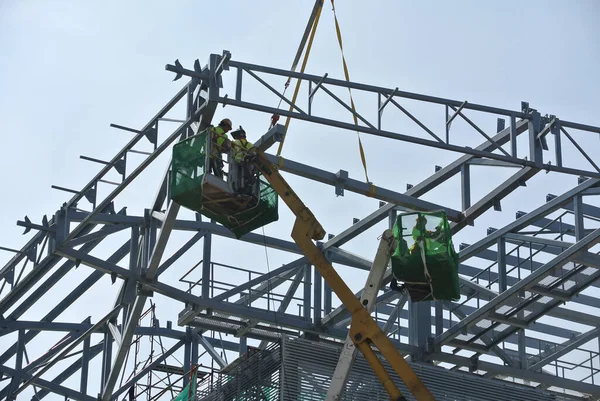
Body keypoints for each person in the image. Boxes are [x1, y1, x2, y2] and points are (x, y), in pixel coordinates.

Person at [231, 127, 257, 195]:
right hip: (249, 165)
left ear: (237, 136)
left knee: (237, 177)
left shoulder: (235, 142)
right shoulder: (251, 145)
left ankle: (237, 190)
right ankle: (249, 190)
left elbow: (229, 149)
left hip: (238, 162)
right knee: (248, 178)